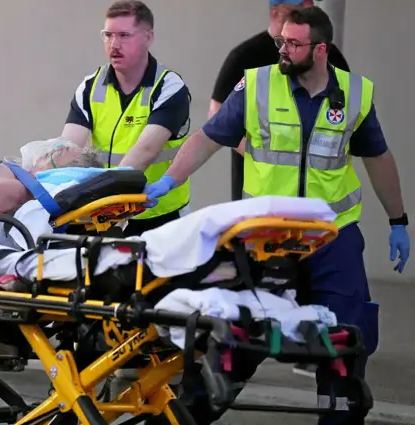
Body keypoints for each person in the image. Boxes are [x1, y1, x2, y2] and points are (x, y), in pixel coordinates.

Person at [144, 7, 409, 425]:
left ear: (320, 50)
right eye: (281, 41)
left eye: (294, 43)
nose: (282, 49)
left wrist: (398, 220)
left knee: (343, 342)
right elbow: (208, 139)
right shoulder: (257, 85)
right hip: (265, 240)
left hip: (332, 238)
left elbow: (378, 158)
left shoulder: (354, 94)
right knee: (238, 335)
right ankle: (182, 419)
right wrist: (167, 181)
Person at [60, 0, 192, 236]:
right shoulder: (90, 86)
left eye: (124, 35)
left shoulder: (169, 88)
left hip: (160, 216)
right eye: (108, 35)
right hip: (104, 214)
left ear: (148, 37)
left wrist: (100, 198)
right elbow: (67, 148)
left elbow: (145, 151)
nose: (114, 44)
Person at [211, 0, 350, 211]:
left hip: (317, 195)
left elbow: (348, 111)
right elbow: (217, 112)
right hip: (259, 195)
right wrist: (259, 156)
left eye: (309, 7)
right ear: (275, 12)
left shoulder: (329, 55)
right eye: (297, 10)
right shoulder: (246, 56)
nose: (305, 14)